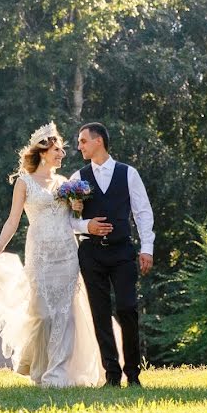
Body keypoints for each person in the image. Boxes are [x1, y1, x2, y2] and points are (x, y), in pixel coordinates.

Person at [0, 122, 105, 387]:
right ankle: (39, 366)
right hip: (40, 254)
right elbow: (12, 222)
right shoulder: (24, 182)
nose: (62, 154)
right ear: (43, 151)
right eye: (57, 150)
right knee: (43, 314)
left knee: (66, 316)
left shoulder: (66, 183)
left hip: (67, 252)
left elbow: (73, 218)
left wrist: (77, 206)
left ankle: (58, 374)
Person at [70, 122, 155, 387]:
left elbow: (143, 213)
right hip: (91, 254)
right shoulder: (77, 177)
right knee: (100, 313)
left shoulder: (128, 174)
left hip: (122, 252)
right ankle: (112, 375)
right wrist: (87, 226)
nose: (79, 146)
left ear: (98, 142)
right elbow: (67, 220)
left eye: (83, 141)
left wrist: (147, 249)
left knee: (128, 308)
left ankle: (133, 373)